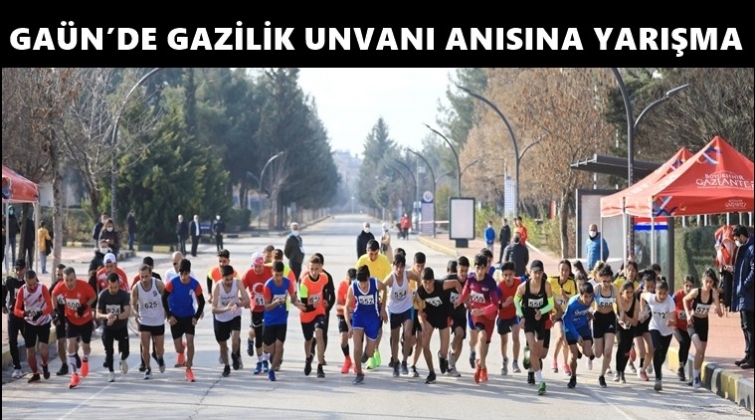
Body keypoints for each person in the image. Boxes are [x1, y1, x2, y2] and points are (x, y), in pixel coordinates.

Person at [457, 254, 499, 383]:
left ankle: (482, 365)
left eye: (482, 268)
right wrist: (459, 301)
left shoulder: (490, 282)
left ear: (486, 268)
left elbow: (495, 305)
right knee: (481, 336)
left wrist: (483, 310)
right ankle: (479, 366)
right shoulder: (470, 279)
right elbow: (465, 292)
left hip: (490, 316)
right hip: (477, 314)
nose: (480, 272)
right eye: (477, 268)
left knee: (485, 344)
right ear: (474, 267)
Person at [52, 267, 97, 389]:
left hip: (85, 320)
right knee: (70, 345)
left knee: (85, 347)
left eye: (71, 280)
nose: (69, 283)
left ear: (75, 278)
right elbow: (54, 294)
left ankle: (85, 359)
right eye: (67, 280)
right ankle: (74, 375)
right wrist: (55, 312)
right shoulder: (61, 286)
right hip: (71, 320)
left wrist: (84, 306)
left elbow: (93, 296)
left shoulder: (84, 286)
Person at [514, 260, 554, 395]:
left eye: (540, 273)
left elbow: (551, 304)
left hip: (540, 319)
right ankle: (541, 381)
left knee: (539, 353)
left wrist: (541, 312)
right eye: (535, 272)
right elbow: (516, 301)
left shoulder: (546, 285)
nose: (537, 275)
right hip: (529, 319)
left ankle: (528, 356)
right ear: (530, 272)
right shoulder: (523, 287)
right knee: (532, 348)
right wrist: (521, 316)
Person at [162, 258, 205, 382]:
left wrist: (196, 317)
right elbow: (163, 297)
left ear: (189, 273)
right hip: (175, 317)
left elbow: (202, 302)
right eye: (181, 274)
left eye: (186, 274)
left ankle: (189, 369)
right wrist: (169, 315)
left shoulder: (195, 284)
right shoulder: (172, 283)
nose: (183, 277)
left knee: (191, 342)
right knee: (178, 349)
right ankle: (182, 349)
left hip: (188, 317)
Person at [344, 265, 388, 385]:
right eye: (361, 282)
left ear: (369, 277)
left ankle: (365, 355)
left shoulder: (375, 283)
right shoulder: (353, 287)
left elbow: (384, 289)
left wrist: (383, 308)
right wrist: (349, 326)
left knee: (370, 352)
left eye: (365, 282)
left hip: (373, 319)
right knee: (357, 347)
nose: (363, 285)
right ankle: (359, 373)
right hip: (359, 317)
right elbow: (346, 307)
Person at [262, 261, 305, 381]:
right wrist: (275, 303)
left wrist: (299, 305)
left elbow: (293, 299)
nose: (278, 278)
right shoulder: (268, 285)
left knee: (279, 346)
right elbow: (266, 306)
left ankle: (272, 370)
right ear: (272, 272)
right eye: (276, 275)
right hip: (270, 320)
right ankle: (269, 355)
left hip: (282, 320)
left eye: (280, 275)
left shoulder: (287, 282)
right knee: (270, 348)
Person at [684, 269, 724, 387]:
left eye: (711, 282)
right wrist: (687, 315)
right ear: (702, 281)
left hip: (704, 323)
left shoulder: (714, 293)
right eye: (707, 281)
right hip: (693, 322)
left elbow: (720, 314)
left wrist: (718, 310)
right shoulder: (696, 292)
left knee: (702, 352)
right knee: (699, 348)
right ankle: (696, 377)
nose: (708, 284)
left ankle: (696, 375)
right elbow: (684, 299)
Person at [354, 239, 391, 369]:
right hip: (364, 298)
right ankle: (369, 355)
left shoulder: (384, 260)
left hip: (378, 297)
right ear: (367, 251)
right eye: (371, 254)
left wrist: (384, 306)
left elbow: (389, 278)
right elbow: (356, 279)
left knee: (378, 328)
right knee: (364, 327)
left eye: (376, 254)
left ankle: (375, 350)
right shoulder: (362, 260)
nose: (373, 257)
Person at [13, 269, 53, 382]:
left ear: (36, 280)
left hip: (43, 321)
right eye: (29, 285)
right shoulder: (22, 290)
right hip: (30, 322)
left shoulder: (42, 288)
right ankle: (35, 373)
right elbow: (16, 310)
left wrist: (41, 313)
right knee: (30, 353)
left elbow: (50, 306)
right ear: (25, 282)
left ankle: (44, 364)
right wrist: (24, 313)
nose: (32, 287)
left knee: (42, 348)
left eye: (34, 283)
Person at [212, 264, 250, 377]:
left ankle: (234, 354)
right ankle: (227, 366)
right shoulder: (218, 287)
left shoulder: (238, 283)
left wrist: (237, 304)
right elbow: (213, 309)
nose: (229, 282)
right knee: (223, 345)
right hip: (221, 317)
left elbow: (247, 300)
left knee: (235, 339)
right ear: (222, 277)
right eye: (226, 279)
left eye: (230, 279)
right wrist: (226, 308)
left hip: (234, 315)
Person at [640, 280, 677, 391]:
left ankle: (657, 366)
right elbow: (642, 296)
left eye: (664, 294)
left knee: (662, 356)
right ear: (655, 291)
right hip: (654, 326)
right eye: (659, 293)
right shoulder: (651, 298)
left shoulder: (670, 301)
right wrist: (643, 310)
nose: (662, 296)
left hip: (667, 331)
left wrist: (671, 322)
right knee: (656, 349)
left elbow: (674, 320)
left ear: (667, 293)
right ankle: (658, 379)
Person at [131, 264, 167, 379]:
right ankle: (148, 368)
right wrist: (135, 313)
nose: (144, 279)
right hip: (144, 320)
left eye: (146, 276)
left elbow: (168, 297)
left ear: (151, 274)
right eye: (142, 277)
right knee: (145, 347)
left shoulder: (158, 284)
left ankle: (160, 358)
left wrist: (167, 311)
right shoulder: (136, 288)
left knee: (159, 349)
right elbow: (133, 304)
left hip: (158, 320)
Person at [96, 273, 132, 382]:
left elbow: (127, 312)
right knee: (109, 351)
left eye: (115, 287)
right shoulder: (103, 295)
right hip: (108, 327)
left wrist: (116, 317)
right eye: (111, 287)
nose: (113, 290)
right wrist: (106, 316)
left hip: (121, 326)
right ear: (107, 285)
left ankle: (122, 358)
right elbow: (97, 314)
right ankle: (111, 372)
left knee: (126, 351)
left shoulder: (124, 295)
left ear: (119, 284)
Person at [383, 254, 415, 377]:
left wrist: (417, 293)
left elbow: (419, 279)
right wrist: (383, 307)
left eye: (401, 266)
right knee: (395, 339)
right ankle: (396, 362)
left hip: (407, 307)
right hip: (394, 310)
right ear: (393, 266)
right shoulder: (391, 278)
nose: (399, 269)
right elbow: (381, 287)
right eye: (397, 266)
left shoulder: (408, 274)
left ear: (404, 267)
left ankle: (404, 362)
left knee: (407, 334)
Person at [592, 265, 624, 388]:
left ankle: (602, 376)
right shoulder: (596, 289)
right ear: (600, 279)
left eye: (609, 281)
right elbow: (588, 303)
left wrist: (620, 319)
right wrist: (589, 313)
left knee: (608, 351)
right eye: (604, 281)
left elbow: (621, 308)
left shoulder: (614, 289)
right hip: (598, 319)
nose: (606, 284)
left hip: (610, 318)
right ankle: (594, 347)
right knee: (598, 353)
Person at [298, 255, 329, 378]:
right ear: (308, 268)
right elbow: (304, 305)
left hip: (319, 312)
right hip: (306, 314)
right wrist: (312, 305)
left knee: (319, 333)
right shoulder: (304, 283)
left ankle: (320, 366)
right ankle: (308, 358)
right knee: (308, 340)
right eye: (311, 269)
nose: (314, 272)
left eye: (316, 269)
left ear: (320, 268)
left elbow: (325, 289)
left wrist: (325, 299)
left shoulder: (324, 278)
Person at [242, 252, 273, 374]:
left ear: (263, 264)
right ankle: (260, 361)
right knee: (258, 336)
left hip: (268, 308)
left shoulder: (269, 270)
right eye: (255, 266)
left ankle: (265, 360)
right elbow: (241, 287)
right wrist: (244, 299)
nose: (258, 269)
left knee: (267, 335)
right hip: (256, 309)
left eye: (260, 266)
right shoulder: (249, 274)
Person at [728, 225, 754, 369]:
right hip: (744, 294)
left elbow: (753, 271)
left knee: (749, 327)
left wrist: (744, 284)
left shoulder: (751, 248)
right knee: (745, 326)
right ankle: (748, 354)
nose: (736, 241)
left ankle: (752, 357)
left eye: (737, 238)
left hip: (748, 294)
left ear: (743, 236)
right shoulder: (745, 248)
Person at [547, 260, 578, 375]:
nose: (564, 273)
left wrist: (565, 296)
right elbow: (547, 298)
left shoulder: (572, 283)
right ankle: (554, 360)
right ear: (558, 270)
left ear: (569, 271)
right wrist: (550, 312)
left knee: (566, 342)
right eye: (562, 270)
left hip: (568, 315)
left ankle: (565, 364)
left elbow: (574, 302)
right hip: (556, 314)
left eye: (567, 270)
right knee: (560, 336)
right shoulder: (551, 281)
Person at [562, 282, 595, 388]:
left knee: (588, 352)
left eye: (590, 296)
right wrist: (576, 336)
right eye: (585, 296)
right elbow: (567, 321)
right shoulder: (572, 304)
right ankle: (573, 377)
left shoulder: (592, 297)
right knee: (573, 356)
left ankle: (584, 348)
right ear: (580, 294)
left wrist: (590, 313)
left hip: (583, 326)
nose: (588, 300)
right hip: (570, 328)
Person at [495, 261, 524, 375]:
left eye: (510, 274)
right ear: (502, 275)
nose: (508, 278)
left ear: (514, 274)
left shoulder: (519, 282)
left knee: (516, 336)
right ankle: (504, 360)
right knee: (504, 341)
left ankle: (515, 362)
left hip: (514, 315)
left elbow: (529, 281)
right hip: (503, 316)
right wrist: (504, 304)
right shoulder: (500, 287)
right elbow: (494, 305)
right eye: (505, 275)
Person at [2, 258, 27, 378]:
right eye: (16, 269)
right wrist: (3, 304)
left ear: (25, 269)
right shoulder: (10, 281)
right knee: (12, 341)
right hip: (13, 314)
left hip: (25, 315)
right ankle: (17, 367)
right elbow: (3, 289)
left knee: (30, 340)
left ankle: (34, 364)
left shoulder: (29, 281)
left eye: (20, 269)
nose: (18, 272)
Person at [446, 258, 467, 377]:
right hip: (449, 313)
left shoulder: (469, 281)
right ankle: (450, 358)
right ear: (457, 269)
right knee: (459, 333)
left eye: (465, 271)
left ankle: (451, 365)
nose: (463, 274)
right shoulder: (450, 279)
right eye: (461, 270)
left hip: (461, 314)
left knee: (460, 341)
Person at [614, 280, 638, 383]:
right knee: (621, 345)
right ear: (622, 292)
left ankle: (622, 371)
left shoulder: (635, 302)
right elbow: (615, 313)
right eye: (627, 292)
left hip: (630, 328)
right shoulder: (617, 300)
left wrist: (626, 318)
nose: (629, 295)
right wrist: (621, 319)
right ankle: (618, 371)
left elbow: (635, 322)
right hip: (619, 326)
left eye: (631, 292)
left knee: (627, 350)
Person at [673, 275, 695, 382]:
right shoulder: (677, 295)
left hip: (688, 326)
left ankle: (681, 367)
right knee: (682, 342)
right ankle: (680, 369)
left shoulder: (694, 297)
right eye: (687, 286)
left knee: (687, 345)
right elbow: (669, 305)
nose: (689, 288)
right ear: (683, 285)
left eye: (691, 286)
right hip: (676, 326)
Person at [336, 268, 357, 374]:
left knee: (358, 340)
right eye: (349, 281)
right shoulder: (342, 286)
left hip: (356, 315)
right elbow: (337, 305)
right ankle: (347, 359)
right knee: (343, 338)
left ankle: (357, 364)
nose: (351, 284)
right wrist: (345, 308)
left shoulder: (359, 287)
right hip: (343, 315)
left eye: (353, 281)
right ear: (346, 278)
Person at [52, 264, 69, 375]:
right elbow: (48, 302)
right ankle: (64, 365)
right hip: (60, 317)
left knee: (73, 343)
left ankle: (75, 356)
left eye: (61, 275)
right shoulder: (54, 287)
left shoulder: (72, 285)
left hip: (72, 317)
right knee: (60, 344)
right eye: (57, 275)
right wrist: (54, 316)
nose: (59, 277)